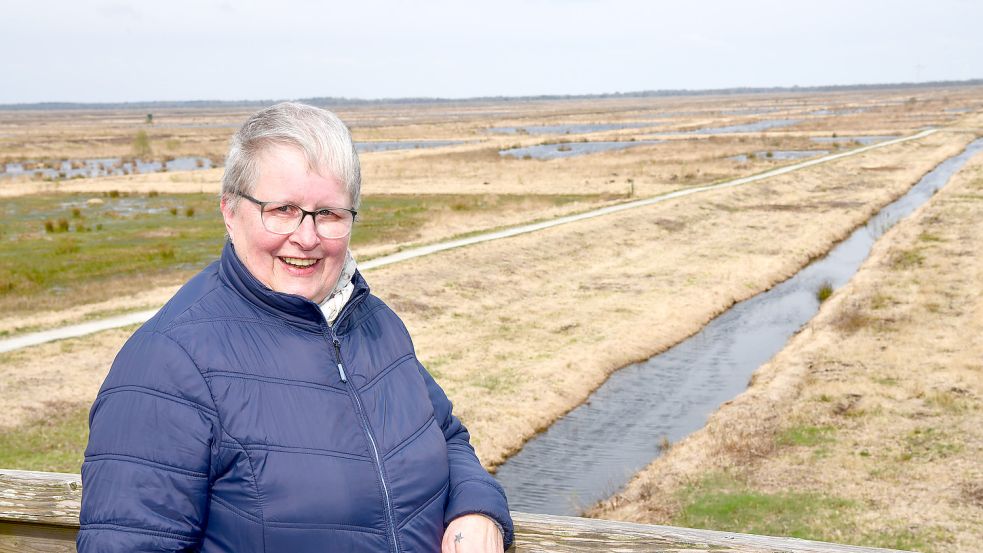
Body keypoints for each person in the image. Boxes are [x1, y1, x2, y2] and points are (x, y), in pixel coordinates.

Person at [78, 102, 514, 553]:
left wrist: (476, 510)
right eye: (283, 209)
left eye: (329, 214)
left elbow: (445, 435)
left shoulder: (373, 324)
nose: (307, 237)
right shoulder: (167, 365)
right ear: (230, 211)